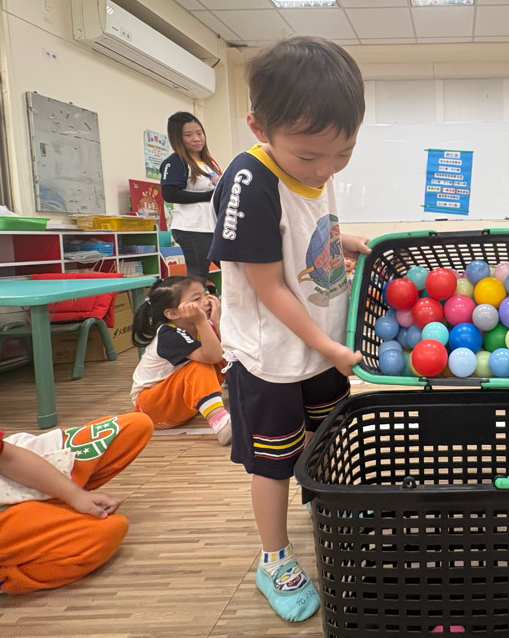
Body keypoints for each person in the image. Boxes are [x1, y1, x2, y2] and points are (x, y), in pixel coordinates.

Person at [208, 36, 370, 623]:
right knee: (274, 460)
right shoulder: (249, 181)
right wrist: (327, 343)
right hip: (272, 358)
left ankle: (328, 505)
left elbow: (307, 233)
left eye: (343, 153)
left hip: (320, 348)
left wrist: (344, 241)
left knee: (329, 438)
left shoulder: (315, 159)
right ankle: (273, 557)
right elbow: (269, 285)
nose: (325, 169)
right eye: (309, 158)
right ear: (260, 127)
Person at [0, 407, 151, 600]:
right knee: (104, 533)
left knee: (134, 427)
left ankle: (53, 505)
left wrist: (75, 495)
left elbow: (6, 457)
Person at [130, 275, 231, 445]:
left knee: (228, 357)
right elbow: (212, 356)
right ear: (172, 313)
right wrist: (202, 320)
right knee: (200, 366)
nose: (207, 301)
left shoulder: (199, 326)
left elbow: (224, 353)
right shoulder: (168, 335)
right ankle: (221, 424)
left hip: (174, 403)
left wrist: (217, 321)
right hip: (151, 408)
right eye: (197, 298)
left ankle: (242, 402)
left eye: (206, 294)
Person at [160, 112, 224, 281]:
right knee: (198, 276)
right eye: (188, 135)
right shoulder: (175, 162)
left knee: (233, 270)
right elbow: (169, 194)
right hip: (191, 227)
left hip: (212, 226)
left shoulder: (210, 162)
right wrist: (208, 196)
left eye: (199, 133)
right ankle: (195, 299)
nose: (196, 139)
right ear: (177, 138)